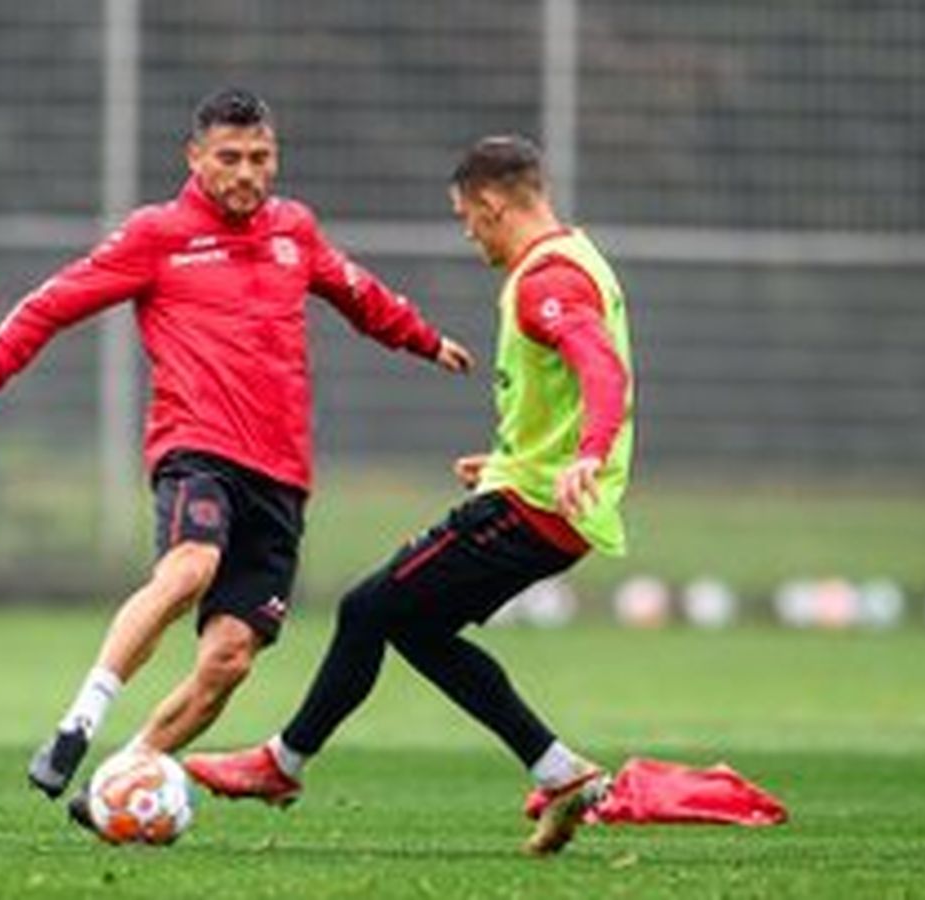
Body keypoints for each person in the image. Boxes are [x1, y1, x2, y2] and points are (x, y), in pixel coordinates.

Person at [0, 87, 473, 824]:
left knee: (228, 660)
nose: (247, 172)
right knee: (191, 567)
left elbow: (360, 293)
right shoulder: (157, 235)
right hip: (198, 448)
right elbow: (51, 304)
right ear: (195, 158)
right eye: (229, 158)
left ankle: (121, 778)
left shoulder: (294, 229)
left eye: (260, 157)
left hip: (282, 474)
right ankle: (80, 720)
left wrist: (424, 339)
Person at [184, 134, 636, 857]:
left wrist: (586, 454)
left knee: (367, 608)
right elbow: (572, 385)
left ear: (491, 204)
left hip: (533, 510)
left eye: (467, 217)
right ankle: (561, 773)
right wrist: (514, 458)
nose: (468, 233)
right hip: (548, 504)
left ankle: (282, 763)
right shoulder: (580, 257)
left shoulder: (545, 282)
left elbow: (601, 368)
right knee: (417, 628)